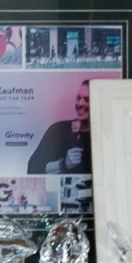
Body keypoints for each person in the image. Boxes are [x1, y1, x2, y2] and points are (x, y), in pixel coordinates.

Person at [27, 80, 93, 213]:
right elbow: (32, 167)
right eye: (78, 98)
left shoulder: (107, 133)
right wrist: (63, 164)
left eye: (86, 99)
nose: (80, 104)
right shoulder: (58, 130)